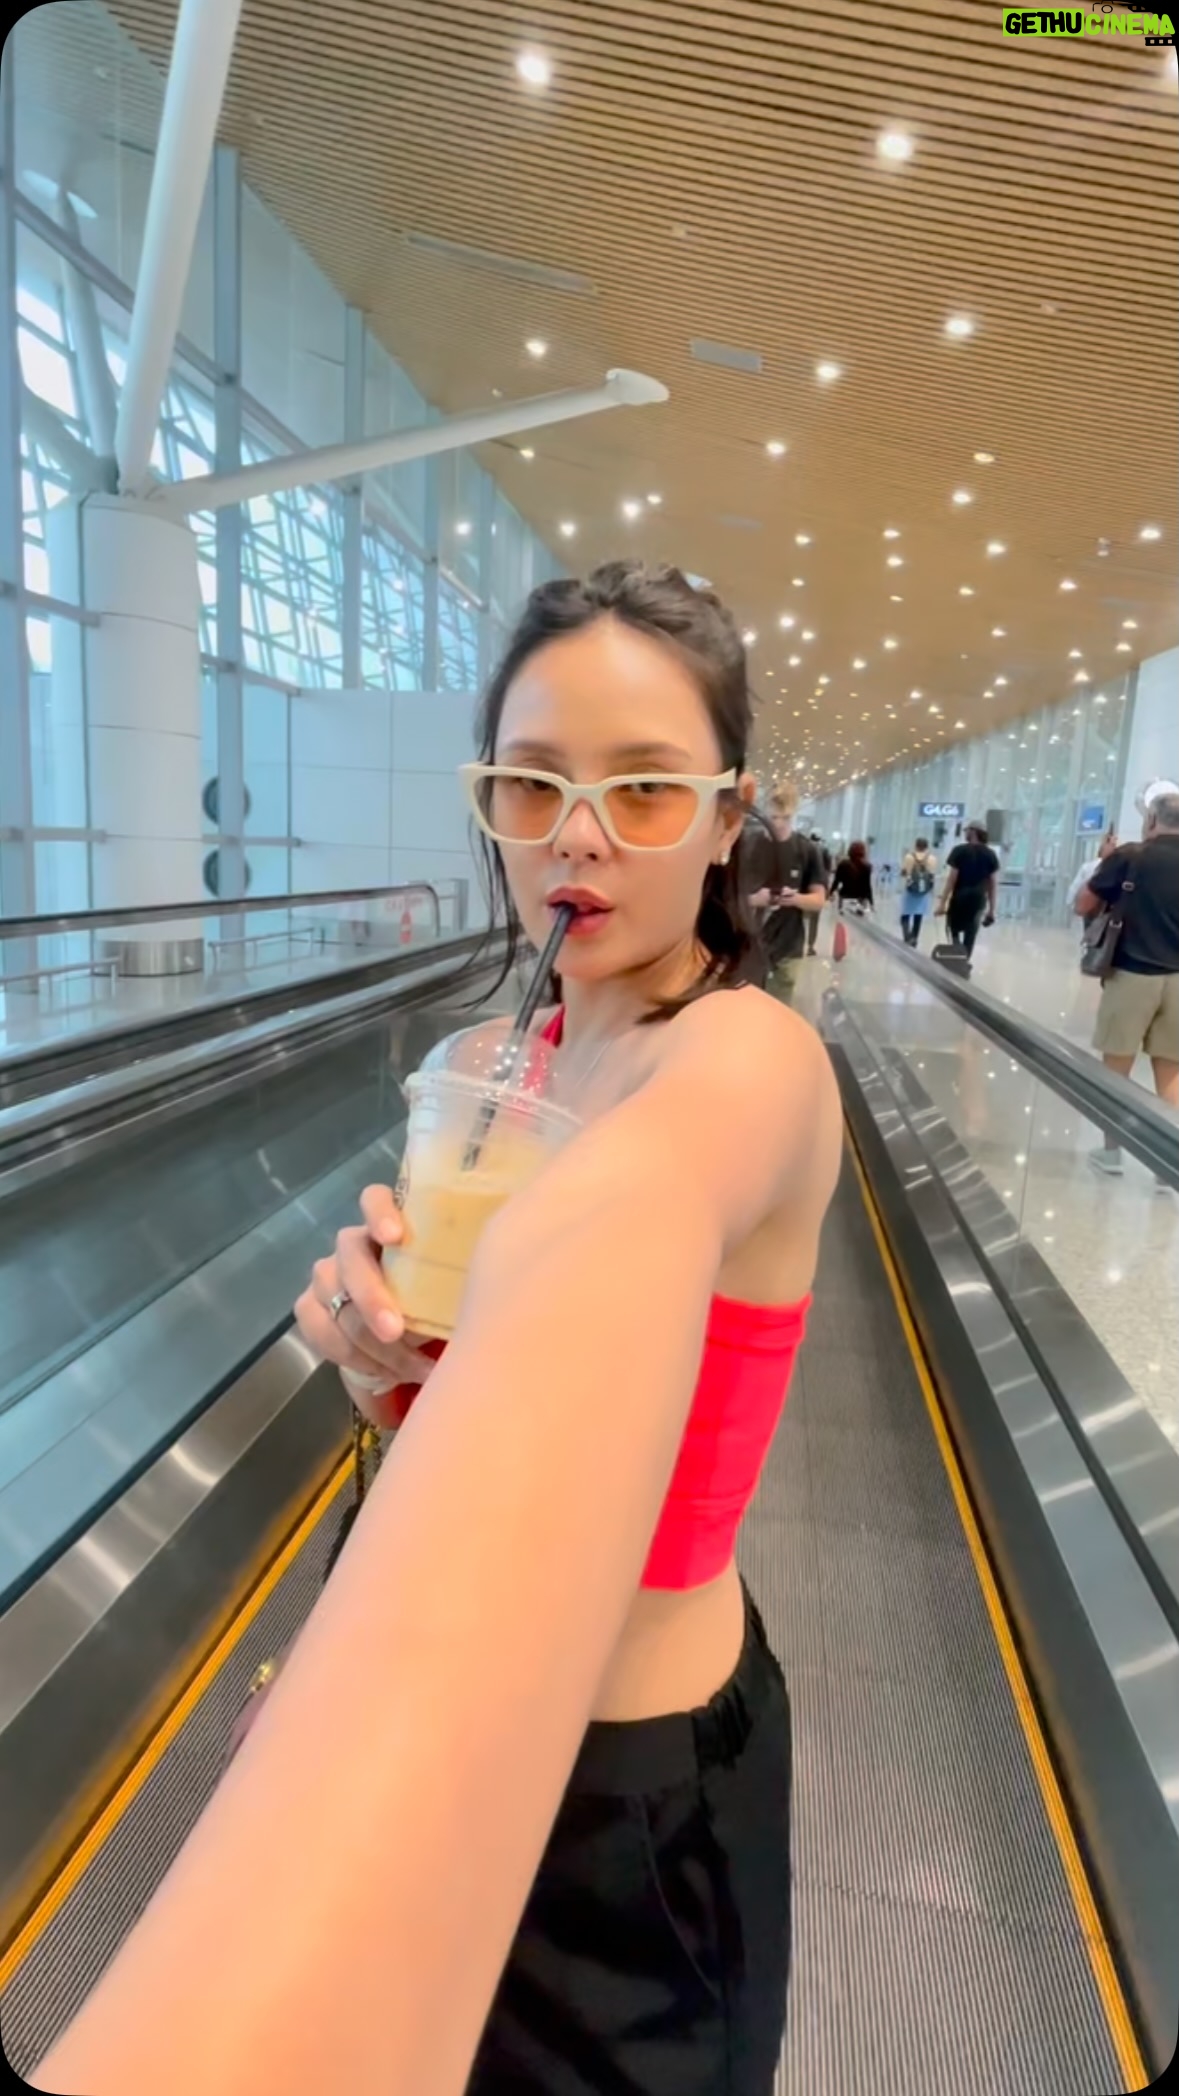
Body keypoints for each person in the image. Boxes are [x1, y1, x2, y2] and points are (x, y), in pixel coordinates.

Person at [41, 562, 842, 2096]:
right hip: (406, 1641)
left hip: (626, 1812)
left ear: (726, 819)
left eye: (642, 789)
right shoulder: (491, 1057)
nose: (576, 835)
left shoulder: (744, 1063)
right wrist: (380, 1364)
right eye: (530, 784)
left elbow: (627, 1221)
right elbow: (447, 1384)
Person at [1074, 789, 1179, 1180]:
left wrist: (1104, 862)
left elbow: (1083, 905)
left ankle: (1112, 1153)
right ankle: (1168, 1164)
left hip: (1132, 975)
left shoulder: (1131, 856)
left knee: (1116, 1068)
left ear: (1151, 820)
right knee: (1171, 1073)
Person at [743, 781, 828, 1005]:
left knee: (778, 1010)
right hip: (747, 945)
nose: (779, 824)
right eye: (773, 817)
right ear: (764, 814)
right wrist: (755, 899)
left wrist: (795, 899)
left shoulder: (807, 850)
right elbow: (725, 896)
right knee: (746, 1010)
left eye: (786, 818)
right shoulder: (746, 846)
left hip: (788, 947)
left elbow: (819, 900)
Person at [936, 821, 999, 958]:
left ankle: (956, 949)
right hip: (978, 899)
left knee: (953, 927)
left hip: (960, 896)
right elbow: (992, 884)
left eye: (967, 830)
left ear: (973, 831)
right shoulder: (991, 854)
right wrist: (992, 910)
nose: (965, 833)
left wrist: (942, 903)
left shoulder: (959, 851)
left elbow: (952, 879)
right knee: (971, 931)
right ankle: (965, 958)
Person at [899, 836, 937, 947]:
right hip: (923, 892)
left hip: (910, 890)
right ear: (926, 846)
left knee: (905, 914)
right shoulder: (932, 858)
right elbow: (932, 876)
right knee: (918, 915)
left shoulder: (909, 857)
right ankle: (914, 938)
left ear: (916, 845)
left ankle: (907, 937)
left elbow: (904, 872)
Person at [805, 833, 833, 955]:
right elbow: (827, 872)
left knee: (798, 917)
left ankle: (797, 944)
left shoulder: (804, 847)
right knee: (814, 918)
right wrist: (827, 889)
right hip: (818, 886)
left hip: (803, 886)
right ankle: (811, 945)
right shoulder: (825, 851)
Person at [830, 839, 874, 912]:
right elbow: (867, 887)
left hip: (845, 896)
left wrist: (830, 893)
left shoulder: (843, 864)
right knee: (859, 917)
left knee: (843, 916)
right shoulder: (867, 866)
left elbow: (836, 881)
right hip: (861, 898)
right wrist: (871, 903)